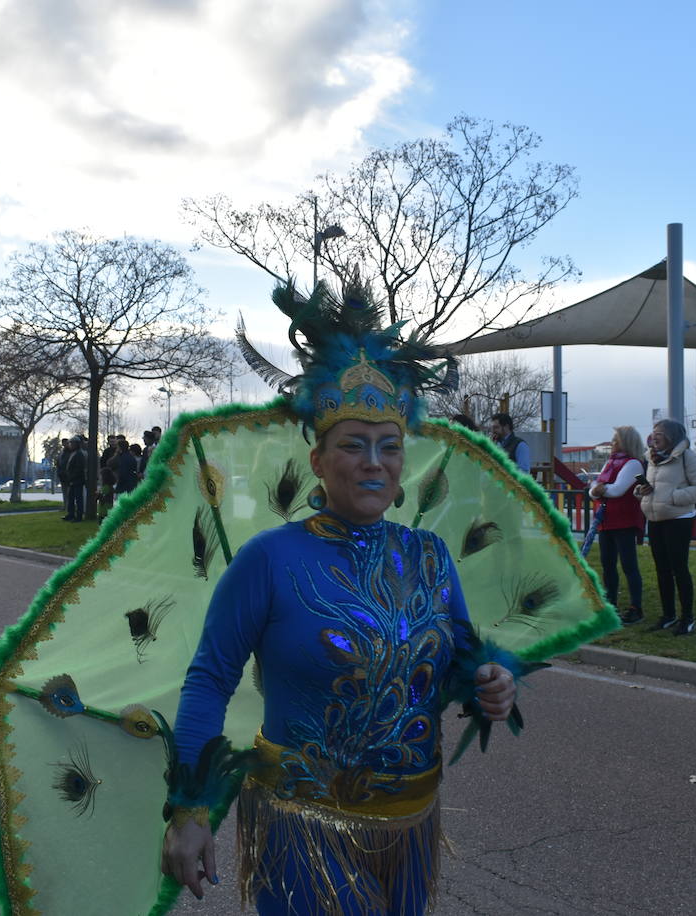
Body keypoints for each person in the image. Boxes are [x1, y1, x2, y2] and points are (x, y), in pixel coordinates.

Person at [161, 280, 526, 916]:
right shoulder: (269, 560)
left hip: (410, 824)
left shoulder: (430, 554)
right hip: (302, 827)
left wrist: (491, 681)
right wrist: (190, 809)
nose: (374, 463)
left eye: (389, 447)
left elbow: (459, 662)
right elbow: (209, 679)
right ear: (319, 461)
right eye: (353, 446)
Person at [635, 418, 696, 634]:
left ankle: (687, 617)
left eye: (660, 432)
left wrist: (674, 497)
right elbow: (649, 488)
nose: (654, 436)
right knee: (662, 570)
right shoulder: (651, 458)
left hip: (679, 519)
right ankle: (668, 615)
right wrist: (641, 492)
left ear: (671, 436)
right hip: (656, 519)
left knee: (679, 569)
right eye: (653, 432)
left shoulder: (686, 456)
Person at [588, 425, 647, 625]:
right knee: (608, 564)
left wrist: (598, 490)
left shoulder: (634, 464)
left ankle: (636, 607)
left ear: (626, 442)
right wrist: (597, 489)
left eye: (616, 440)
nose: (612, 443)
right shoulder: (611, 462)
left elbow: (617, 490)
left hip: (624, 520)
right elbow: (594, 487)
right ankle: (610, 604)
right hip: (606, 520)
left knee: (629, 565)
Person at [63, 436, 87, 521]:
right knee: (71, 498)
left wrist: (72, 477)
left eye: (72, 443)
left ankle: (79, 516)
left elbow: (79, 468)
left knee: (78, 498)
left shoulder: (79, 454)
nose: (70, 445)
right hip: (73, 479)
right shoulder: (73, 453)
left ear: (76, 444)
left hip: (77, 480)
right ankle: (71, 514)